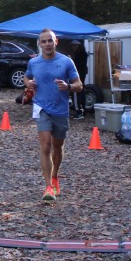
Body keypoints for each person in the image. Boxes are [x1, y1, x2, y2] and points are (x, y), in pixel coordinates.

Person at [24, 28, 81, 203]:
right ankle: (48, 186)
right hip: (41, 108)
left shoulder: (66, 62)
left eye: (50, 40)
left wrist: (68, 86)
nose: (47, 44)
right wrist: (29, 83)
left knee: (58, 146)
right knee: (45, 145)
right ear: (40, 44)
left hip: (60, 110)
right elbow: (27, 77)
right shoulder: (34, 62)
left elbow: (79, 85)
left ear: (56, 42)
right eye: (44, 41)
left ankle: (55, 176)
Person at [70, 40, 89, 120]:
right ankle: (82, 110)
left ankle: (79, 111)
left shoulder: (80, 55)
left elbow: (76, 66)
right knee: (81, 93)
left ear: (79, 46)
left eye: (75, 45)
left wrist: (71, 60)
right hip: (81, 76)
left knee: (75, 93)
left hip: (78, 77)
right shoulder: (83, 54)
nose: (73, 47)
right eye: (73, 45)